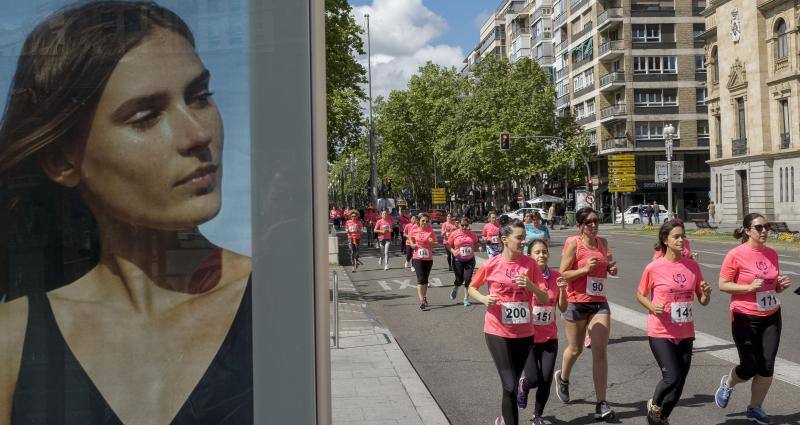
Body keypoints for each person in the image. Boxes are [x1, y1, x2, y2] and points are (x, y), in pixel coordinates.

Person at [0, 2, 253, 423]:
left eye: (201, 97)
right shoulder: (12, 344)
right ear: (62, 161)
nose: (198, 133)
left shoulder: (280, 301)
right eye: (146, 117)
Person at [467, 217, 548, 425]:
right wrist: (484, 299)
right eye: (519, 238)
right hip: (497, 331)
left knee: (509, 388)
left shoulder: (529, 264)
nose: (523, 242)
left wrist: (531, 285)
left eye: (524, 238)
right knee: (511, 385)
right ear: (504, 239)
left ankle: (503, 420)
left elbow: (544, 298)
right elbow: (471, 288)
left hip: (524, 333)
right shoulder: (492, 264)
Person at [714, 213, 791, 425]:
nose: (764, 230)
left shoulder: (772, 254)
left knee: (766, 366)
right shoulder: (735, 254)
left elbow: (771, 286)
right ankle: (728, 382)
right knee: (749, 366)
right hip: (744, 315)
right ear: (748, 231)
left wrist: (779, 286)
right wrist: (747, 287)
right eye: (759, 227)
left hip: (771, 314)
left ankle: (755, 408)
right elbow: (723, 284)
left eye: (766, 226)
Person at [637, 220, 712, 425]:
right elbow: (641, 294)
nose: (681, 240)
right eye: (676, 236)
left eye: (683, 236)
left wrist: (706, 294)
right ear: (665, 240)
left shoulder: (693, 267)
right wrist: (652, 307)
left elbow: (703, 301)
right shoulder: (654, 267)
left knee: (679, 384)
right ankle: (654, 410)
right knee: (671, 377)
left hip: (685, 332)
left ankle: (663, 416)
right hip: (661, 331)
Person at [556, 207, 618, 421]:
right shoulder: (574, 244)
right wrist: (583, 270)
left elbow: (609, 264)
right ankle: (563, 378)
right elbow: (563, 273)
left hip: (599, 302)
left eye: (596, 221)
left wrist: (611, 268)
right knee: (575, 349)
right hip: (576, 303)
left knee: (600, 351)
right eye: (588, 222)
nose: (593, 225)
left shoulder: (603, 243)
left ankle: (601, 402)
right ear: (580, 226)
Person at [518, 239, 568, 425]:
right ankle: (523, 385)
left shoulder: (556, 276)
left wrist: (562, 291)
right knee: (533, 379)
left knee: (546, 380)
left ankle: (536, 416)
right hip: (528, 337)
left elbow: (562, 307)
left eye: (544, 251)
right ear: (529, 256)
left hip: (549, 338)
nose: (541, 255)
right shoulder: (524, 276)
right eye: (537, 252)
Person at [446, 217, 479, 306]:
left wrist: (478, 247)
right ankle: (456, 287)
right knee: (459, 279)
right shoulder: (454, 234)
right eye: (462, 225)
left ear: (468, 225)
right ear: (459, 225)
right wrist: (453, 251)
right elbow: (448, 244)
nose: (464, 227)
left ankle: (466, 299)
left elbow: (476, 243)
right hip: (458, 260)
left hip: (470, 260)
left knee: (468, 279)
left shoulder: (472, 234)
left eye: (466, 225)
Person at [409, 213, 439, 310]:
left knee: (425, 280)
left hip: (428, 259)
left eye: (427, 221)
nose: (425, 223)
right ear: (419, 221)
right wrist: (412, 244)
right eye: (423, 221)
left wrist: (431, 242)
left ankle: (424, 297)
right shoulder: (414, 229)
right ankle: (422, 300)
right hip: (417, 258)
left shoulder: (430, 230)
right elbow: (410, 236)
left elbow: (437, 243)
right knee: (421, 279)